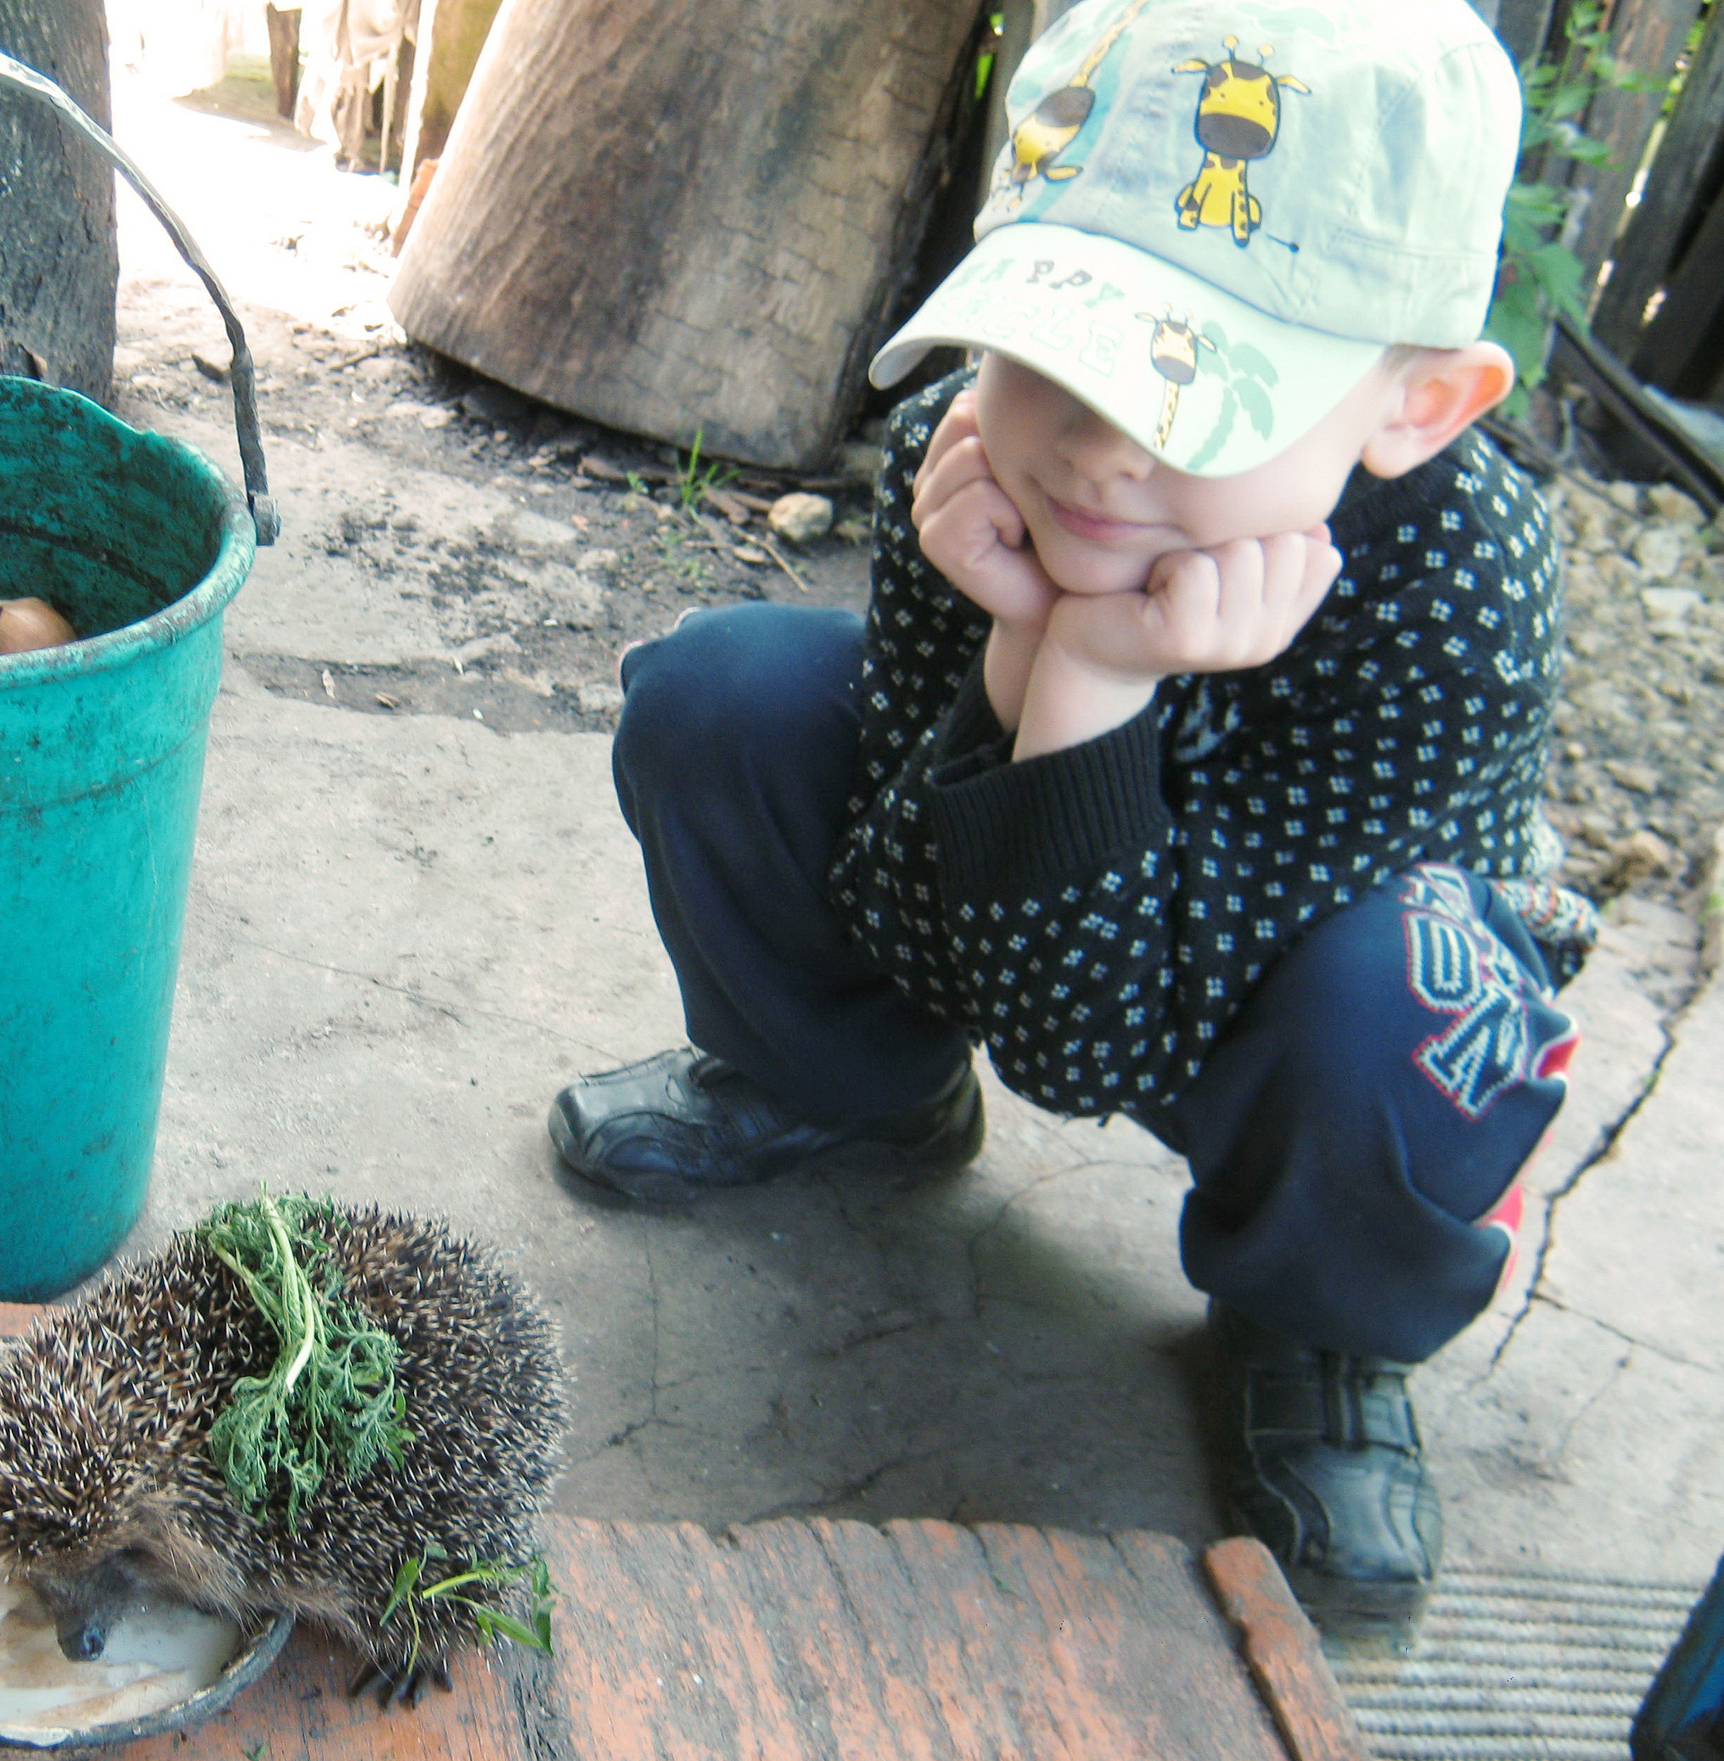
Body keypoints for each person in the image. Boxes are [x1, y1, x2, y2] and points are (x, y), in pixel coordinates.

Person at [548, 0, 1599, 1636]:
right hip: (1045, 915)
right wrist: (1021, 668)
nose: (1099, 448)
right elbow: (911, 902)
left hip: (1279, 999)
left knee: (1409, 995)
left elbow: (1101, 1053)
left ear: (1419, 406)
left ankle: (1319, 1316)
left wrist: (1087, 681)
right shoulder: (966, 461)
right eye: (1053, 354)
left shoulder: (1459, 584)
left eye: (1206, 390)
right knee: (726, 701)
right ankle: (852, 1091)